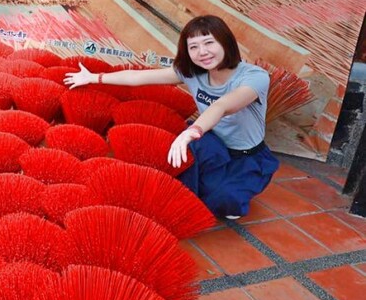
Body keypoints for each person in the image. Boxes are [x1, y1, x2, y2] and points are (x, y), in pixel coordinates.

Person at [63, 15, 279, 219]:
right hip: (209, 140)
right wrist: (94, 77)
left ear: (225, 42)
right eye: (193, 47)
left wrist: (191, 132)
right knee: (185, 187)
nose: (202, 52)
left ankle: (238, 183)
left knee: (223, 202)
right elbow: (138, 77)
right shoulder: (192, 72)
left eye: (209, 43)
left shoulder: (254, 76)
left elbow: (222, 106)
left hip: (246, 155)